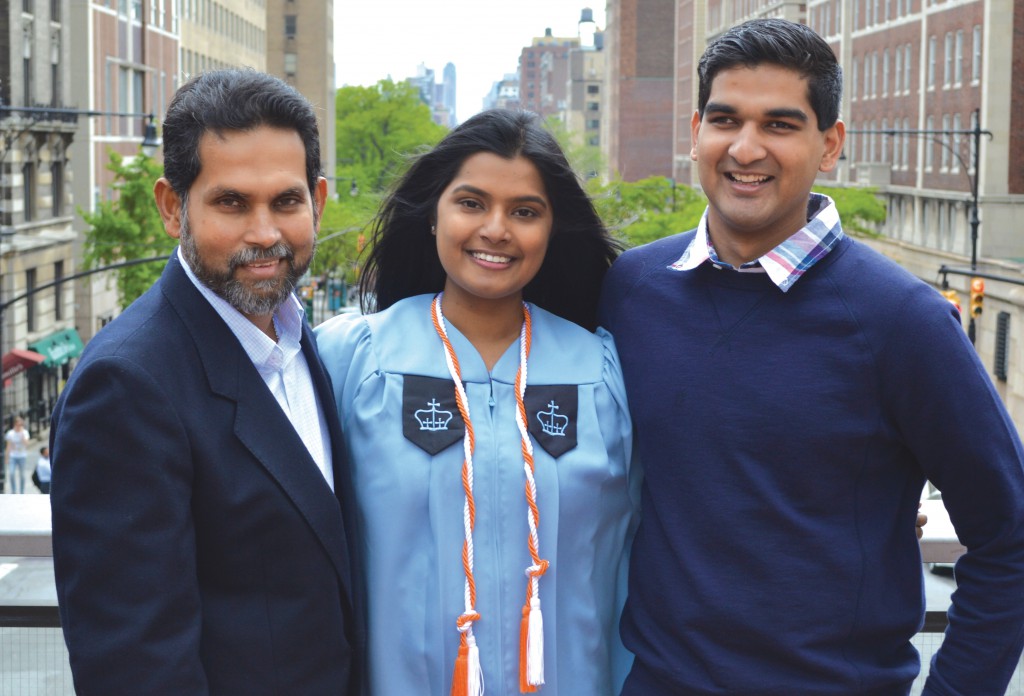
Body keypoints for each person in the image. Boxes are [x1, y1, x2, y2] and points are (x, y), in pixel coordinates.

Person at [600, 18, 1024, 695]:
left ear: (830, 145)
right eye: (724, 119)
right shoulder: (632, 290)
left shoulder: (901, 321)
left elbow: (1010, 536)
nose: (745, 147)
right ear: (694, 133)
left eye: (779, 124)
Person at [50, 69, 362, 695]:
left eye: (286, 201)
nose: (265, 233)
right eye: (231, 202)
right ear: (173, 207)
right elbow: (135, 669)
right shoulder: (126, 387)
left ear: (318, 201)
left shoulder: (301, 340)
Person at [315, 109, 639, 695]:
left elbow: (632, 565)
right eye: (471, 203)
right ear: (433, 216)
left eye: (524, 212)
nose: (496, 229)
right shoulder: (354, 360)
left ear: (551, 229)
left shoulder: (601, 374)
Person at [4, 416, 30, 494]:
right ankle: (14, 491)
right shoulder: (10, 433)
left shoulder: (25, 432)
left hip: (22, 456)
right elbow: (8, 446)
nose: (20, 426)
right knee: (11, 473)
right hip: (13, 456)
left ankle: (22, 491)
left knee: (22, 475)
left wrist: (22, 435)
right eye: (18, 424)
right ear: (15, 424)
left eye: (21, 424)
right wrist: (6, 458)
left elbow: (26, 444)